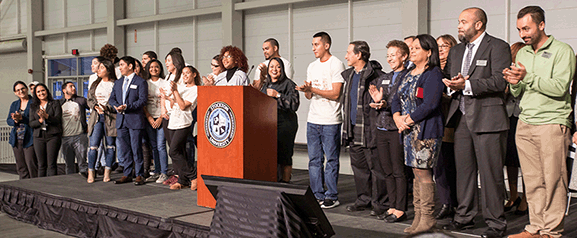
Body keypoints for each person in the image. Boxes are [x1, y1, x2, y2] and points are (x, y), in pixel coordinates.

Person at [504, 6, 576, 238]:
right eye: (519, 29)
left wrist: (528, 77)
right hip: (525, 123)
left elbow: (559, 88)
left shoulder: (563, 51)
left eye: (526, 28)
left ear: (541, 25)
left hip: (552, 122)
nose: (522, 34)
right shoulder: (523, 53)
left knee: (554, 179)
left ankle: (552, 231)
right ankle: (534, 227)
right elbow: (518, 92)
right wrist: (514, 81)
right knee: (533, 180)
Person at [442, 7, 511, 238]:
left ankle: (496, 223)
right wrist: (452, 86)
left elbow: (500, 81)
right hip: (461, 118)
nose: (459, 26)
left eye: (463, 22)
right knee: (465, 173)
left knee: (491, 174)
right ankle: (464, 217)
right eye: (459, 21)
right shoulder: (456, 51)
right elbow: (453, 80)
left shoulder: (498, 46)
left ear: (479, 24)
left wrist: (467, 86)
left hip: (489, 119)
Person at [391, 34, 444, 234]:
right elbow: (396, 96)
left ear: (428, 52)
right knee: (415, 172)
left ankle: (428, 218)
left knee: (423, 173)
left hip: (425, 131)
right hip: (407, 131)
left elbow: (430, 104)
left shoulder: (433, 73)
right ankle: (419, 217)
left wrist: (407, 120)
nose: (411, 51)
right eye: (411, 48)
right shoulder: (409, 72)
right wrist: (397, 116)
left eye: (416, 48)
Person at [296, 32, 345, 209]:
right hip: (313, 119)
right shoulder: (312, 66)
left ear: (326, 45)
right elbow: (310, 95)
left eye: (316, 44)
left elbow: (335, 93)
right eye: (312, 44)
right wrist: (306, 90)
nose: (313, 48)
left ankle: (331, 195)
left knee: (331, 159)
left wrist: (313, 89)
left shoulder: (336, 64)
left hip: (331, 120)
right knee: (314, 160)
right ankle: (317, 194)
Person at [340, 40, 388, 215]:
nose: (346, 56)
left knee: (377, 170)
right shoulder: (350, 76)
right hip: (354, 130)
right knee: (359, 169)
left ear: (358, 55)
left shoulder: (377, 76)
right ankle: (363, 200)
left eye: (348, 52)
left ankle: (380, 204)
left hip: (370, 131)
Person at [368, 40, 410, 222]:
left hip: (397, 129)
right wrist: (377, 101)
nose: (390, 59)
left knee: (398, 170)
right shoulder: (384, 77)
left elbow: (400, 101)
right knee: (387, 170)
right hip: (381, 126)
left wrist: (384, 102)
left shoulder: (408, 76)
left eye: (393, 55)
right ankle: (391, 206)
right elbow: (381, 98)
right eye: (388, 56)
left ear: (404, 56)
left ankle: (400, 208)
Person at [109, 56, 148, 185]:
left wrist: (127, 107)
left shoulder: (141, 82)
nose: (119, 68)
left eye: (121, 65)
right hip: (121, 120)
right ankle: (127, 173)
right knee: (124, 148)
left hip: (134, 119)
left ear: (130, 66)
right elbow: (112, 98)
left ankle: (139, 174)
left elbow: (142, 101)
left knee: (136, 147)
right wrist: (116, 106)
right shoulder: (118, 82)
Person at [260, 57, 299, 183]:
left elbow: (294, 104)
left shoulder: (289, 84)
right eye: (271, 67)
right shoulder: (266, 85)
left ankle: (285, 184)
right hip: (269, 124)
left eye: (277, 66)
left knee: (285, 156)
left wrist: (278, 95)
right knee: (272, 156)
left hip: (286, 124)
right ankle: (274, 183)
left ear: (282, 69)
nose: (274, 69)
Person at [434, 34, 459, 220]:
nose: (441, 49)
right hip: (436, 123)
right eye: (438, 46)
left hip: (454, 123)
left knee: (454, 166)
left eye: (445, 45)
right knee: (439, 166)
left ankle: (458, 203)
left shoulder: (456, 69)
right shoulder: (433, 71)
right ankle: (445, 203)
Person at [503, 42, 529, 216]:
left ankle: (527, 199)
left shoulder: (528, 71)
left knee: (525, 162)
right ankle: (513, 196)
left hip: (524, 117)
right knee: (510, 161)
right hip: (507, 118)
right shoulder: (507, 69)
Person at [165, 65, 199, 190]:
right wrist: (167, 96)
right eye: (183, 74)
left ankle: (193, 176)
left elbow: (183, 106)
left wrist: (175, 92)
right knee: (180, 151)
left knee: (173, 151)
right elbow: (174, 103)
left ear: (194, 74)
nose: (184, 76)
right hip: (173, 121)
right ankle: (183, 180)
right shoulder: (181, 87)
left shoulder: (195, 89)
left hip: (184, 123)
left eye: (187, 73)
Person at [87, 58, 118, 183]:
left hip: (110, 118)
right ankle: (91, 172)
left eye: (101, 67)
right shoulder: (95, 83)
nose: (98, 70)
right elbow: (89, 99)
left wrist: (107, 108)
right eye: (98, 68)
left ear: (108, 69)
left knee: (110, 146)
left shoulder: (115, 84)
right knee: (93, 146)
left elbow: (118, 102)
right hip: (96, 118)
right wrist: (95, 106)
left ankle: (107, 171)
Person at [143, 59, 169, 183]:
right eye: (151, 67)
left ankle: (164, 172)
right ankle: (157, 171)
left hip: (162, 118)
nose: (154, 69)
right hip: (149, 118)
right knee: (154, 146)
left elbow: (167, 102)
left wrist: (159, 118)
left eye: (157, 67)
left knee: (160, 145)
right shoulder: (145, 83)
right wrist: (149, 117)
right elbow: (143, 103)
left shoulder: (165, 82)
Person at [29, 83, 62, 177]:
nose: (41, 93)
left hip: (53, 136)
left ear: (47, 91)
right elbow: (31, 123)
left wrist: (47, 116)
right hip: (38, 137)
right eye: (38, 92)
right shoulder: (33, 106)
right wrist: (40, 120)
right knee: (41, 165)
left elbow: (58, 120)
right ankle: (40, 188)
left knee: (51, 164)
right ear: (35, 94)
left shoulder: (55, 103)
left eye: (43, 90)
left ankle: (52, 187)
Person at [7, 81, 38, 179]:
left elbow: (36, 121)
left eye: (22, 88)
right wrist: (15, 120)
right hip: (16, 139)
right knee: (21, 167)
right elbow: (9, 120)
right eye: (18, 90)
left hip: (30, 139)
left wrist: (22, 119)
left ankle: (36, 188)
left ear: (27, 89)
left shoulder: (34, 102)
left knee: (31, 165)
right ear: (15, 93)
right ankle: (24, 189)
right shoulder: (14, 104)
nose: (21, 91)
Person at [58, 82, 89, 176]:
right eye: (71, 86)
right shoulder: (59, 103)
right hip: (64, 137)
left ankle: (85, 184)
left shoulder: (81, 100)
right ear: (64, 90)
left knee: (82, 163)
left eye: (74, 86)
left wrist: (90, 124)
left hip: (80, 135)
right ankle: (70, 184)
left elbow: (93, 109)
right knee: (69, 164)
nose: (73, 88)